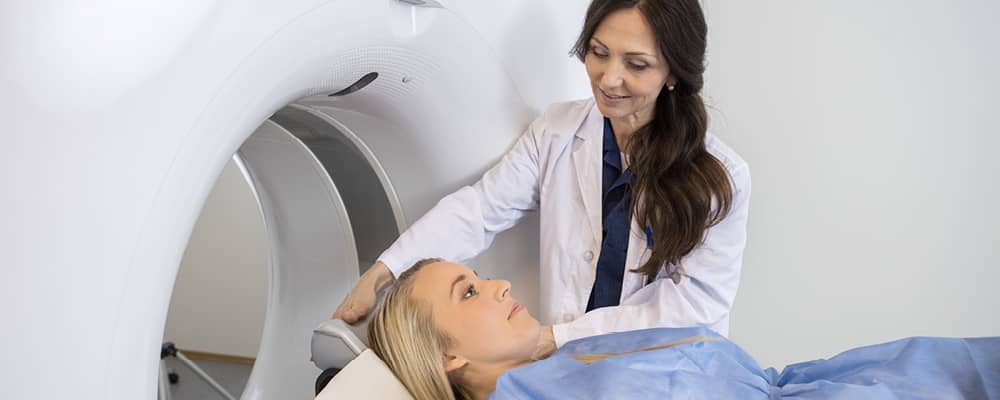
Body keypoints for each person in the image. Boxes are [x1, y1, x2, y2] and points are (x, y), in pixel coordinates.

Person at [336, 0, 751, 358]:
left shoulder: (721, 178)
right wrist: (385, 270)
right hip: (570, 374)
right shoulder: (557, 131)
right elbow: (481, 211)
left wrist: (557, 338)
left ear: (673, 73)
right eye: (598, 52)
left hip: (666, 371)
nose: (608, 78)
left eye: (636, 64)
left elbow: (695, 304)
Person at [366, 259, 1000, 400]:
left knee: (948, 364)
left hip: (814, 385)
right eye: (469, 292)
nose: (501, 284)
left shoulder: (564, 355)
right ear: (444, 356)